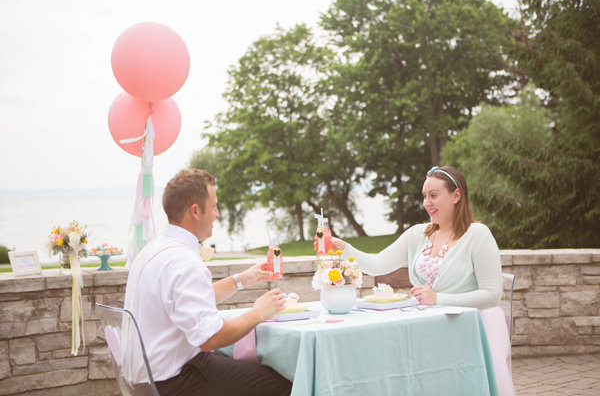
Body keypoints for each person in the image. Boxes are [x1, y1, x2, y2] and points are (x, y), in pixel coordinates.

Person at [331, 166, 515, 396]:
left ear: (456, 195)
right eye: (425, 196)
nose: (427, 202)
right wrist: (344, 247)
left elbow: (491, 294)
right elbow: (377, 264)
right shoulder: (418, 234)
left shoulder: (478, 234)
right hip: (427, 327)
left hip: (467, 329)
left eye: (434, 195)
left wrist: (438, 299)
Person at [123, 168, 292, 396]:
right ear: (195, 211)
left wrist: (241, 279)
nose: (218, 213)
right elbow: (210, 338)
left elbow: (184, 302)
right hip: (175, 381)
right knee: (285, 385)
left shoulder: (153, 250)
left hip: (146, 381)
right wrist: (258, 313)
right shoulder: (184, 262)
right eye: (214, 206)